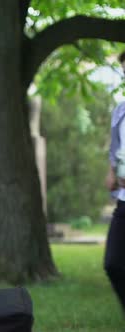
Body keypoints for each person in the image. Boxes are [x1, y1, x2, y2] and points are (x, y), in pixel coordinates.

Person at [105, 50, 125, 312]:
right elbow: (116, 149)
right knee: (114, 263)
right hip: (123, 201)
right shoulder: (120, 110)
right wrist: (111, 171)